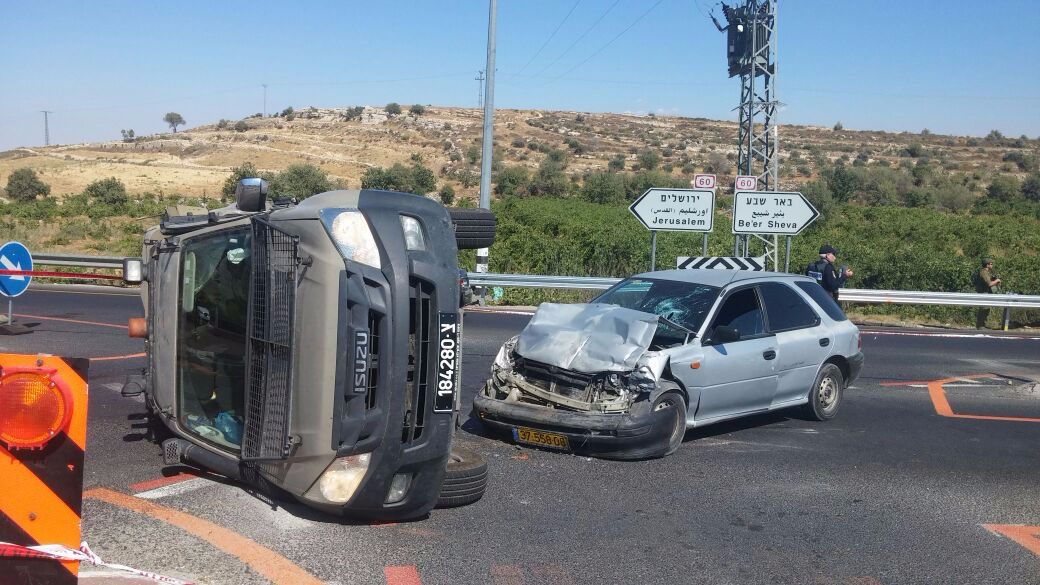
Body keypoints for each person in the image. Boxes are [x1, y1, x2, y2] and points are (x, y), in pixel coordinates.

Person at [972, 258, 1001, 329]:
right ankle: (980, 325)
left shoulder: (987, 272)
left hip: (986, 293)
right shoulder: (984, 272)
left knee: (986, 309)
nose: (992, 265)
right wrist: (997, 281)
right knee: (983, 309)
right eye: (991, 264)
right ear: (987, 265)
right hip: (983, 293)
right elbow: (989, 284)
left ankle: (983, 324)